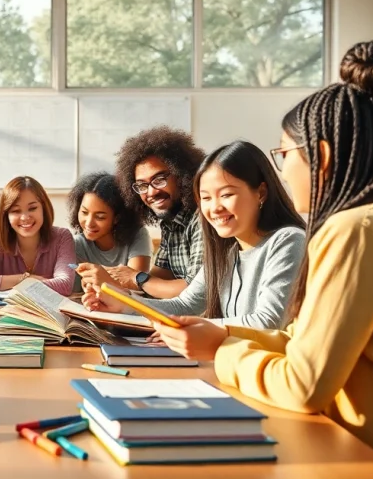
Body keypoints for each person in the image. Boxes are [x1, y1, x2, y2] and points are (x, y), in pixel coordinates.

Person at [152, 41, 373, 479]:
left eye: (285, 155)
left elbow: (304, 385)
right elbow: (304, 342)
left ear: (319, 156)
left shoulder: (358, 232)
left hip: (372, 476)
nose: (283, 172)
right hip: (365, 455)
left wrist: (223, 352)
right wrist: (224, 336)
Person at [85, 141, 305, 330]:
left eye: (226, 194)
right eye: (206, 198)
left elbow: (268, 321)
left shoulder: (288, 241)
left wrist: (197, 328)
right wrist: (123, 305)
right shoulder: (226, 249)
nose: (215, 208)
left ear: (261, 192)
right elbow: (184, 305)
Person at [111, 126, 207, 298]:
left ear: (182, 175)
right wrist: (111, 285)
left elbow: (194, 292)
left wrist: (136, 278)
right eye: (142, 185)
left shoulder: (203, 217)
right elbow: (160, 277)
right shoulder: (170, 222)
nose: (151, 192)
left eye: (159, 179)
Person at [0, 176, 76, 295]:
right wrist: (25, 279)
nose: (25, 217)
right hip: (8, 306)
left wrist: (14, 283)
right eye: (16, 211)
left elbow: (65, 285)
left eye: (32, 208)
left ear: (44, 208)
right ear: (6, 215)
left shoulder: (62, 237)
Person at [67, 171, 152, 294]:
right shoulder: (78, 244)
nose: (89, 223)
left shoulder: (137, 235)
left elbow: (136, 287)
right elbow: (76, 291)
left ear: (117, 218)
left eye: (100, 217)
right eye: (84, 212)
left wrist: (102, 279)